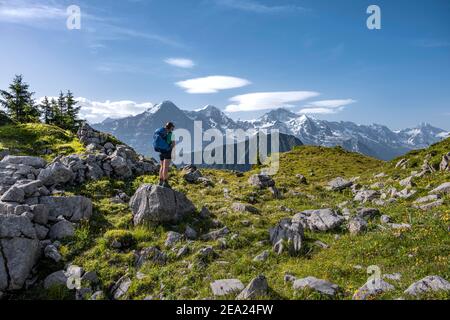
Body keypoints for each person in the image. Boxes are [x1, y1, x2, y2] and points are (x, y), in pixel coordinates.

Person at [153, 122, 175, 188]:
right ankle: (165, 182)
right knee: (166, 167)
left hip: (160, 151)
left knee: (162, 166)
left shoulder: (159, 131)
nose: (173, 129)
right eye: (173, 128)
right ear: (171, 127)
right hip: (167, 151)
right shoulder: (171, 134)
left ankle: (160, 181)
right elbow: (173, 144)